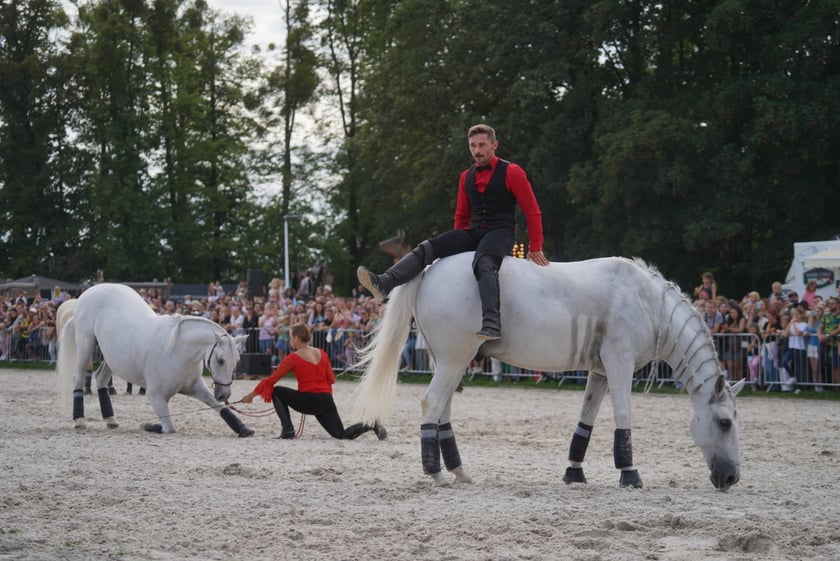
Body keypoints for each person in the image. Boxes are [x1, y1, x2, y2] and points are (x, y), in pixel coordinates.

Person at [356, 124, 549, 340]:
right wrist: (457, 244)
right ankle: (385, 282)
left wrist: (535, 246)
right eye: (473, 146)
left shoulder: (512, 171)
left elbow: (532, 210)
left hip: (500, 231)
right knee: (427, 247)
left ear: (494, 145)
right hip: (473, 231)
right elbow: (461, 215)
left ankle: (493, 322)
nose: (477, 151)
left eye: (482, 145)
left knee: (484, 262)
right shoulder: (466, 176)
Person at [238, 323, 387, 440]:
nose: (291, 340)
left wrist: (251, 396)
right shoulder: (321, 353)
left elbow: (271, 381)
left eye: (291, 337)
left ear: (296, 338)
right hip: (326, 400)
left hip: (308, 400)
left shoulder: (293, 358)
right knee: (342, 434)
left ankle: (288, 430)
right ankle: (371, 424)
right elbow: (331, 379)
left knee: (277, 391)